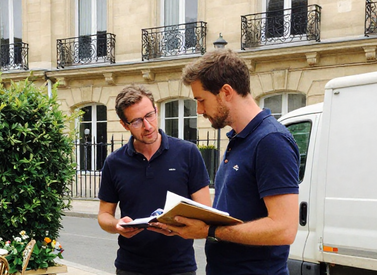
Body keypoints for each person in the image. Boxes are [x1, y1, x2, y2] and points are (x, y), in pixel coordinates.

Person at [151, 48, 300, 275]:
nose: (199, 110)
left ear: (226, 92)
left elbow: (284, 229)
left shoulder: (271, 140)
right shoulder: (239, 140)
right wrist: (186, 222)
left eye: (201, 100)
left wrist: (210, 230)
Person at [97, 84, 212, 275]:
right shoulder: (114, 162)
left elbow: (205, 211)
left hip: (179, 268)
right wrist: (117, 225)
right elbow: (103, 215)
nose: (148, 126)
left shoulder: (188, 153)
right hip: (130, 268)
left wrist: (177, 225)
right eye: (137, 121)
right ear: (124, 125)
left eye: (150, 115)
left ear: (156, 110)